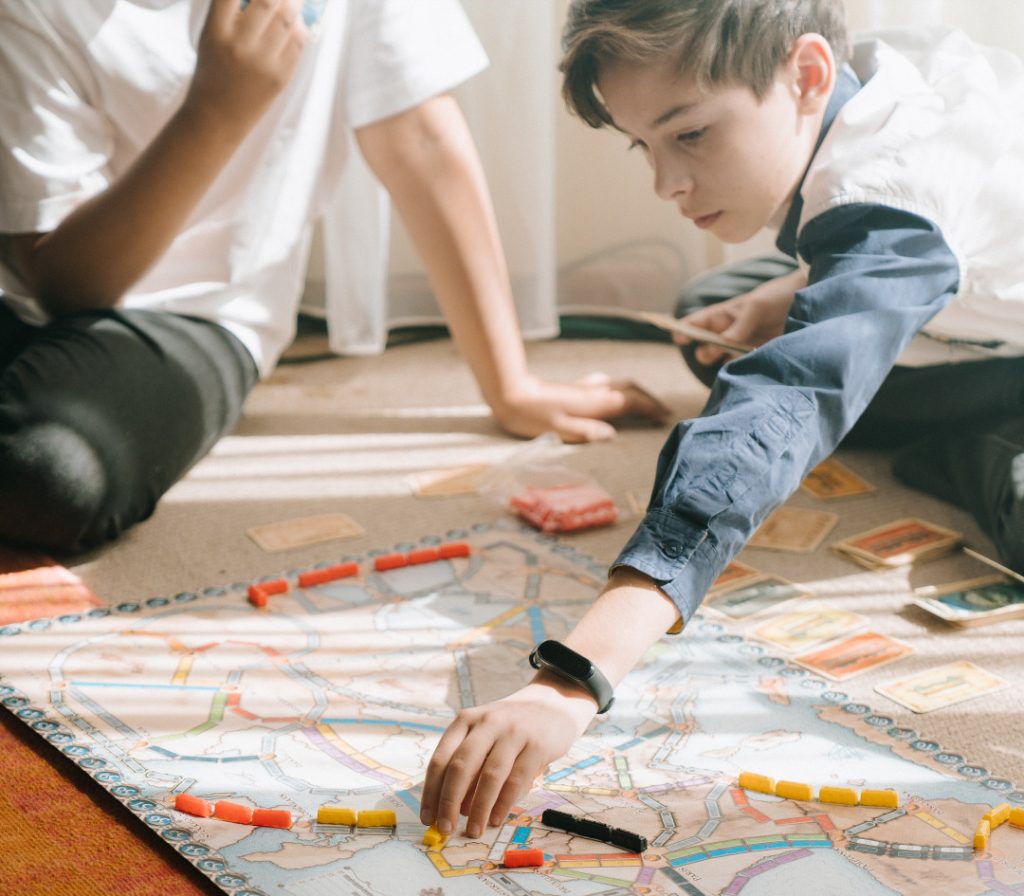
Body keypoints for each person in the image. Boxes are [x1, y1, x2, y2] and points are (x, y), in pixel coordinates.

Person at [420, 0, 1024, 839]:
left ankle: (980, 446)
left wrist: (574, 677)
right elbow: (900, 253)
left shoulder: (899, 183)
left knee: (772, 403)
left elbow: (785, 401)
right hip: (983, 318)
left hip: (1004, 357)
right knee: (716, 318)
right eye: (645, 145)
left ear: (807, 73)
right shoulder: (873, 84)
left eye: (691, 134)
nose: (665, 183)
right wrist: (788, 295)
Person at [0, 0, 666, 554]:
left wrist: (511, 384)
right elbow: (54, 277)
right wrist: (216, 108)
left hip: (192, 318)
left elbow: (422, 142)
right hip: (27, 295)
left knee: (44, 471)